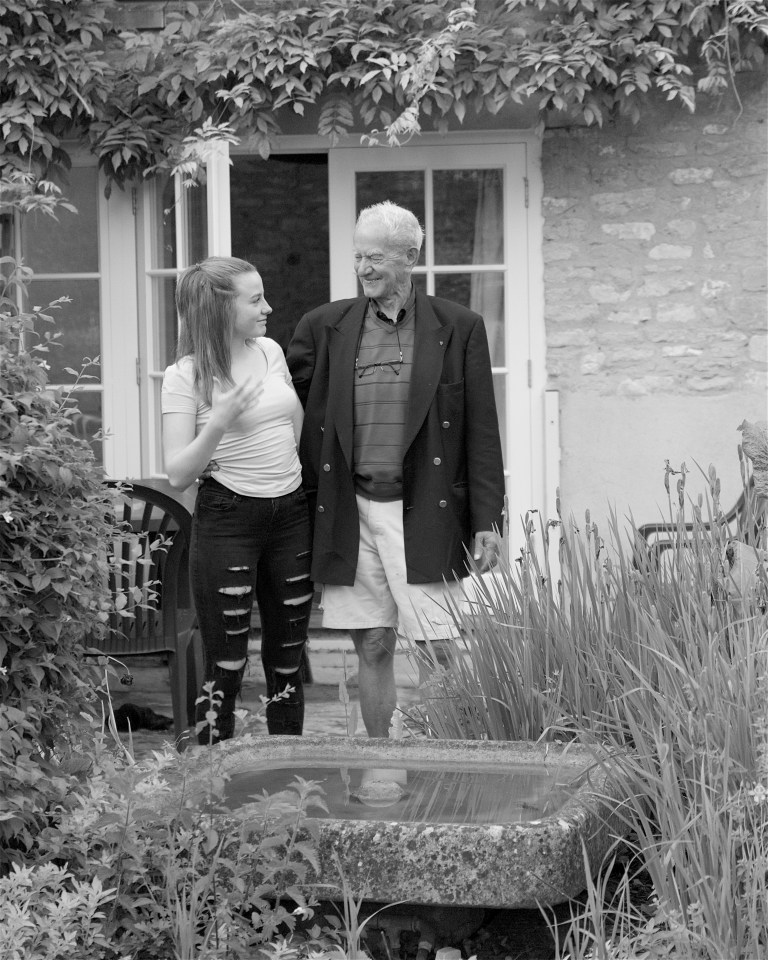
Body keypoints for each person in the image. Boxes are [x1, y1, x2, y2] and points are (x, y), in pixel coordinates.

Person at [287, 201, 505, 738]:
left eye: (377, 256)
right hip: (349, 509)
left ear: (410, 257)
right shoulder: (323, 327)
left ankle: (443, 756)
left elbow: (480, 429)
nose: (364, 267)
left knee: (437, 648)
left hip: (423, 507)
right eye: (359, 255)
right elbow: (281, 409)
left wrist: (487, 518)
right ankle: (382, 760)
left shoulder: (459, 327)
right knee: (373, 642)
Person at [162, 257, 314, 744]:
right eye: (255, 299)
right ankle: (213, 784)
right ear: (219, 309)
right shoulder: (185, 375)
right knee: (227, 662)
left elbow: (295, 424)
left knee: (288, 658)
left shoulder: (269, 351)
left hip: (290, 513)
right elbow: (179, 471)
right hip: (229, 517)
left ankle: (290, 777)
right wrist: (220, 422)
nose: (268, 307)